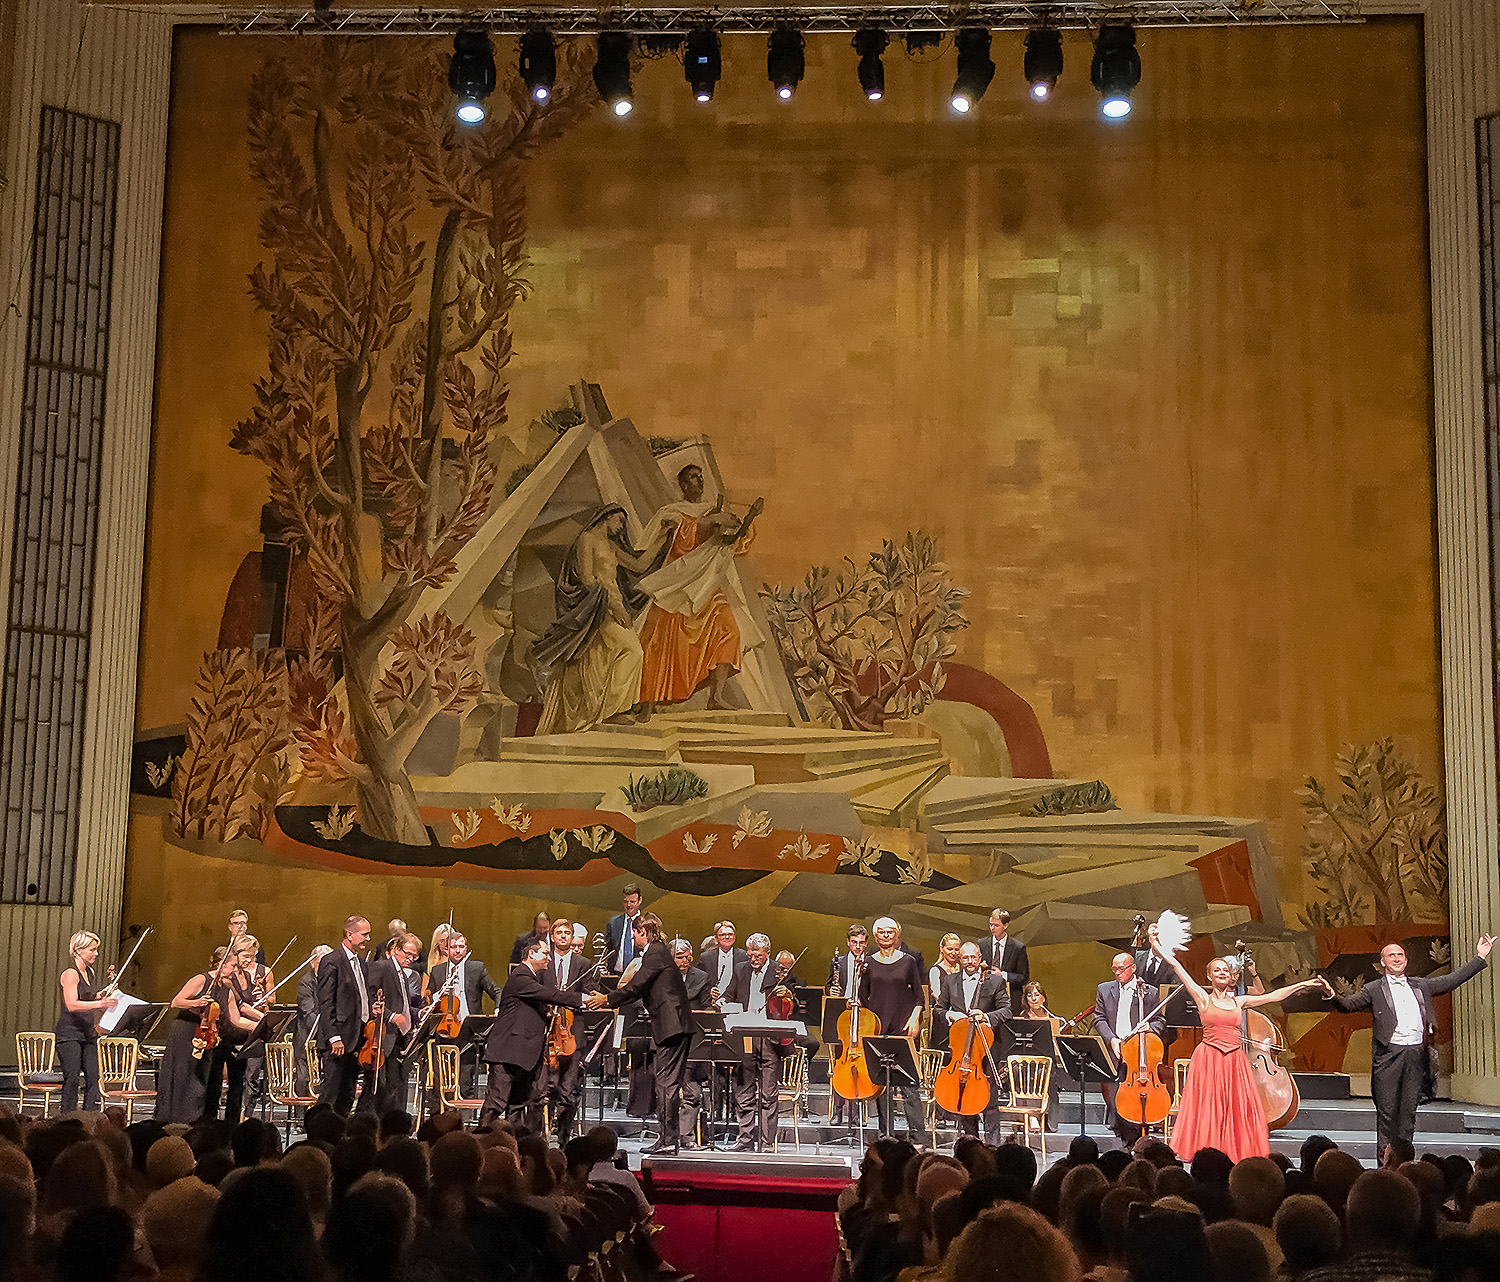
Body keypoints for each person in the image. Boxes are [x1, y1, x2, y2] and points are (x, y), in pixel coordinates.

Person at [1149, 925, 1327, 1161]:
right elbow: (1176, 966)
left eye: (1225, 969)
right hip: (1209, 1058)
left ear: (1230, 975)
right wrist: (1155, 944)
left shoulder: (1239, 1001)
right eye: (1216, 970)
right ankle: (1207, 1152)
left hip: (1234, 1058)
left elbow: (1272, 996)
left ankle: (1232, 1151)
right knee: (1209, 1107)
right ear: (1209, 976)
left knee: (1234, 1108)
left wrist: (1303, 984)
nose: (1221, 973)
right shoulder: (1203, 998)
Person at [1316, 932, 1494, 1156]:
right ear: (1383, 962)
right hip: (1388, 1057)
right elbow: (1348, 1005)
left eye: (1400, 954)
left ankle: (1405, 1164)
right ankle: (1385, 1165)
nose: (1397, 958)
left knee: (1408, 1114)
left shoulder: (1420, 985)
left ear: (1406, 960)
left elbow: (1451, 980)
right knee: (1387, 1115)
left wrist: (1479, 957)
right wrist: (1331, 993)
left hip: (1416, 1056)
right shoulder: (1373, 989)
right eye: (1391, 955)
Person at [636, 462, 763, 712]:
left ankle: (715, 697)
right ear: (683, 485)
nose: (700, 481)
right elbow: (679, 542)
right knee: (659, 645)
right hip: (677, 588)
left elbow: (730, 544)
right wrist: (713, 521)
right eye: (694, 477)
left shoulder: (712, 510)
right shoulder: (673, 512)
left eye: (701, 477)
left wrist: (750, 518)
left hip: (708, 587)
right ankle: (645, 704)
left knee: (731, 633)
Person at [533, 504, 663, 733]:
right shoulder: (587, 538)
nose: (622, 527)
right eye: (620, 521)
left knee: (612, 657)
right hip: (599, 609)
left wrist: (663, 538)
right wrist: (613, 606)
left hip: (614, 607)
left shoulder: (611, 545)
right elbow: (587, 577)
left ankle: (609, 710)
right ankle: (613, 710)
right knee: (633, 651)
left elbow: (638, 565)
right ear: (607, 517)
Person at [586, 912, 694, 1155]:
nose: (633, 937)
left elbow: (636, 986)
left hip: (672, 1026)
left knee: (665, 1084)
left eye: (635, 932)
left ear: (644, 932)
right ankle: (668, 1138)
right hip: (672, 1025)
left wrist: (607, 999)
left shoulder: (655, 954)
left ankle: (668, 1140)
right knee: (665, 1083)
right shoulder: (657, 953)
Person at [476, 937, 584, 1127]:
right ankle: (480, 1144)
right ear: (531, 953)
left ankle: (514, 1148)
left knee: (517, 1106)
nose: (548, 958)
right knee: (495, 1104)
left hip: (522, 1056)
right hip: (507, 1053)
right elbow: (550, 994)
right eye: (544, 954)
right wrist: (581, 998)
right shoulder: (521, 977)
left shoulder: (530, 978)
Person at [933, 941, 1011, 1144]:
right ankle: (971, 1145)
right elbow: (938, 1009)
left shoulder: (994, 982)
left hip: (987, 1049)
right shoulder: (950, 981)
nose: (969, 961)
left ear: (980, 959)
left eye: (973, 957)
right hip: (961, 1050)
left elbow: (1006, 1010)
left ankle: (993, 1145)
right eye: (965, 957)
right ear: (960, 959)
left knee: (991, 1102)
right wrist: (952, 1015)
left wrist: (985, 1016)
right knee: (966, 1100)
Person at [724, 933, 797, 1151]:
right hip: (745, 1035)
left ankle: (766, 1143)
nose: (753, 958)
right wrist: (721, 1001)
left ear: (768, 953)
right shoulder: (740, 969)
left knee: (768, 1093)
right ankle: (745, 1139)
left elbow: (797, 1005)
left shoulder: (779, 971)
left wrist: (788, 994)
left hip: (770, 1037)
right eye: (750, 954)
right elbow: (729, 996)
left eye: (758, 955)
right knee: (744, 1091)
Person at [859, 917, 926, 1141]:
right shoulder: (868, 963)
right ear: (875, 936)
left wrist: (915, 1018)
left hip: (903, 1030)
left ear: (897, 934)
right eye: (881, 932)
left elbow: (919, 996)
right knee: (882, 1087)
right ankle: (886, 1137)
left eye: (890, 932)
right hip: (878, 1031)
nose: (886, 936)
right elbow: (863, 998)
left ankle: (917, 1139)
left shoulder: (907, 962)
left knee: (909, 1086)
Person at [529, 919, 595, 1144]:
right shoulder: (544, 962)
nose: (563, 936)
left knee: (568, 1089)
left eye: (568, 933)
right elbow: (534, 991)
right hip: (546, 1031)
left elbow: (590, 993)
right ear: (553, 936)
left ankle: (564, 1136)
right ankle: (536, 1137)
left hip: (571, 1032)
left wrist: (579, 999)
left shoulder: (583, 963)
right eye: (559, 932)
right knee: (542, 1088)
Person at [1090, 952, 1165, 1147]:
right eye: (1114, 969)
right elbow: (1098, 1018)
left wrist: (1150, 1028)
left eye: (1121, 969)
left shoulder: (1149, 992)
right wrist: (1111, 1039)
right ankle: (1124, 1138)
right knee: (1115, 1101)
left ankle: (1136, 1142)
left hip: (1139, 1053)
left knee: (1137, 1102)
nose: (1117, 973)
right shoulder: (1104, 990)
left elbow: (1159, 1021)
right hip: (1115, 1050)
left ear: (1133, 968)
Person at [155, 945, 228, 1123]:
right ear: (220, 964)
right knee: (182, 1075)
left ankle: (193, 1118)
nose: (235, 970)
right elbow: (176, 1002)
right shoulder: (201, 979)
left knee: (198, 1078)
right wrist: (197, 1002)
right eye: (232, 966)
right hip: (185, 1030)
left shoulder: (225, 985)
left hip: (204, 1034)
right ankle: (174, 1118)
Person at [202, 933, 269, 1123]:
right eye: (246, 955)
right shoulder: (227, 978)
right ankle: (211, 1125)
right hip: (223, 1033)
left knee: (238, 1084)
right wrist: (260, 1025)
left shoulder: (247, 976)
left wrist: (264, 1018)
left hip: (241, 1038)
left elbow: (244, 1005)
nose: (250, 960)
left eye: (253, 956)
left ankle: (233, 1125)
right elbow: (236, 1012)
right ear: (236, 954)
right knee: (215, 1084)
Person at [316, 914, 378, 1116]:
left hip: (357, 1038)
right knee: (330, 1094)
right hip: (339, 1039)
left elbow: (359, 997)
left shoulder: (361, 963)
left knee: (348, 1093)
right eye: (364, 934)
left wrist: (371, 1009)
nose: (368, 939)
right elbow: (326, 1003)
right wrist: (334, 1037)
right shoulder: (332, 961)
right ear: (350, 934)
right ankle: (321, 1136)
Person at [428, 931, 502, 1096]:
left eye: (461, 947)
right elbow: (428, 1001)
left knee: (465, 1081)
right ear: (446, 950)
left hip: (468, 1030)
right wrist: (439, 993)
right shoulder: (438, 971)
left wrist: (498, 1009)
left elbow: (496, 991)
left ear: (466, 948)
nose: (458, 951)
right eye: (453, 947)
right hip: (444, 1031)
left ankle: (464, 1117)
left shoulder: (477, 968)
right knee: (443, 1080)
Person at [55, 930, 118, 1111]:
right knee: (72, 1077)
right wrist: (100, 1003)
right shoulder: (70, 973)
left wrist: (102, 995)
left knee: (93, 1076)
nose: (96, 954)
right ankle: (68, 1117)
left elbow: (87, 997)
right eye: (92, 950)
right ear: (78, 950)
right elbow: (72, 1004)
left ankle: (90, 1116)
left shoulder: (89, 972)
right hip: (69, 1034)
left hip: (87, 1032)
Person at [369, 931, 421, 1116]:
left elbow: (405, 1005)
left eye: (414, 956)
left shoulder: (404, 974)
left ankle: (396, 1123)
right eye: (408, 954)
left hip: (400, 1036)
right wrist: (391, 1017)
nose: (411, 959)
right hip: (384, 1035)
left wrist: (419, 1013)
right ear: (396, 949)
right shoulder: (382, 967)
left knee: (398, 1084)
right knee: (384, 1089)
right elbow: (371, 999)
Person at [672, 939, 715, 1148]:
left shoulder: (701, 977)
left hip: (693, 1042)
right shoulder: (662, 976)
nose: (684, 961)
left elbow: (706, 1006)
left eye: (687, 957)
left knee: (692, 1093)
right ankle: (668, 1137)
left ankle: (686, 1138)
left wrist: (710, 1015)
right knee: (666, 1094)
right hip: (668, 1041)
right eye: (679, 957)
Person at [827, 924, 869, 1127]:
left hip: (862, 1019)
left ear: (866, 943)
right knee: (839, 1064)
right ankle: (838, 1111)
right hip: (842, 1019)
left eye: (861, 943)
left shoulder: (870, 963)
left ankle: (856, 1112)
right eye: (854, 942)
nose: (857, 946)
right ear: (848, 942)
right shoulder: (839, 962)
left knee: (860, 1065)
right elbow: (828, 984)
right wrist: (832, 990)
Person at [293, 945, 331, 1096]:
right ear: (313, 962)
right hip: (308, 1037)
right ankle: (302, 1115)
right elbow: (309, 1012)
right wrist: (328, 1029)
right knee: (304, 1078)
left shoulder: (334, 982)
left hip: (328, 1039)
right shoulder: (305, 982)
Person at [977, 909, 1030, 1015]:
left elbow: (1024, 977)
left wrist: (1003, 975)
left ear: (1005, 925)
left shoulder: (1017, 947)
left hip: (1009, 998)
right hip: (985, 998)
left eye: (996, 925)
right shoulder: (981, 944)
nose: (992, 928)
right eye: (991, 924)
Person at [702, 920, 747, 1001]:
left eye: (730, 934)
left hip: (736, 1002)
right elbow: (700, 981)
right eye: (722, 935)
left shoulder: (744, 956)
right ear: (716, 938)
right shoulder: (706, 957)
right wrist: (709, 990)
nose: (727, 937)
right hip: (713, 1002)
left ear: (735, 937)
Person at [606, 885, 645, 974]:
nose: (628, 905)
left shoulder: (646, 923)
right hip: (616, 974)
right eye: (625, 901)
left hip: (638, 975)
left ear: (640, 901)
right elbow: (608, 948)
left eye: (632, 901)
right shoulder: (614, 922)